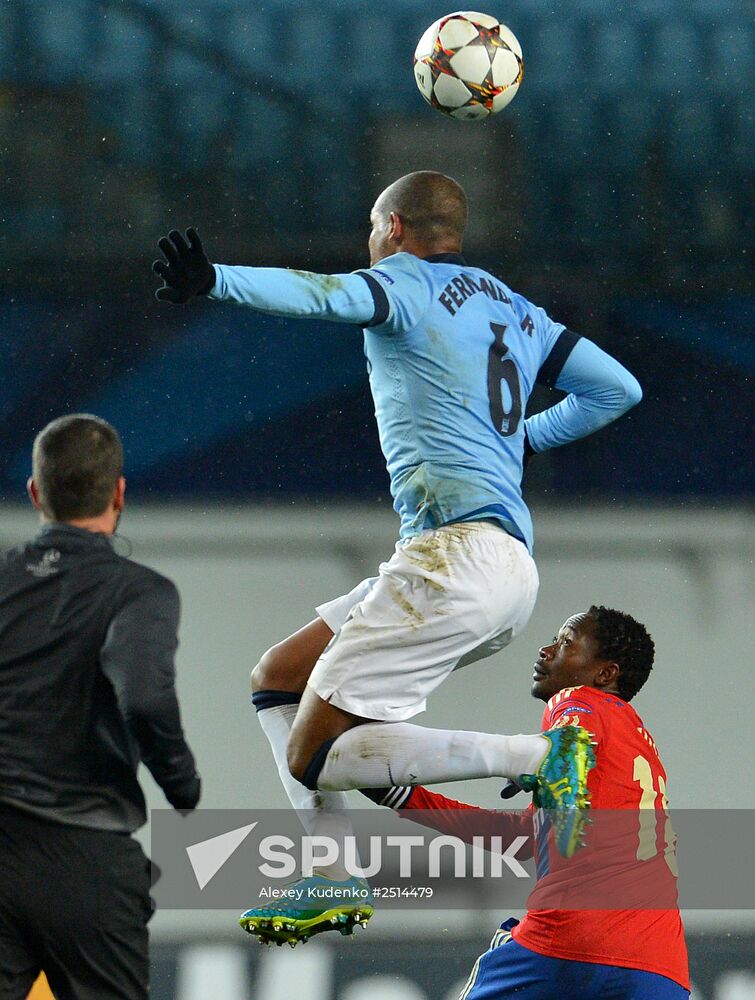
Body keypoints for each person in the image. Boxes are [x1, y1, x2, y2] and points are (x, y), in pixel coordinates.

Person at [153, 170, 641, 942]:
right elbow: (616, 389)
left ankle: (541, 754)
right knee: (278, 677)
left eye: (372, 232)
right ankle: (329, 871)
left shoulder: (402, 284)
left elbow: (319, 295)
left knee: (318, 755)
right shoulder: (512, 306)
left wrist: (215, 281)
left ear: (390, 227)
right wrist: (518, 439)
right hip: (492, 563)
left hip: (454, 561)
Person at [364, 606, 690, 1000]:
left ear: (605, 674)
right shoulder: (639, 746)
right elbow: (523, 838)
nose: (546, 650)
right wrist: (410, 798)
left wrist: (538, 753)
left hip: (569, 940)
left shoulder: (579, 699)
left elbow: (572, 735)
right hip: (660, 966)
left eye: (566, 643)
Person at [0, 415, 200, 1000]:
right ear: (119, 492)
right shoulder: (138, 591)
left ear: (36, 493)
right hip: (83, 858)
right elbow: (143, 694)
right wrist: (179, 782)